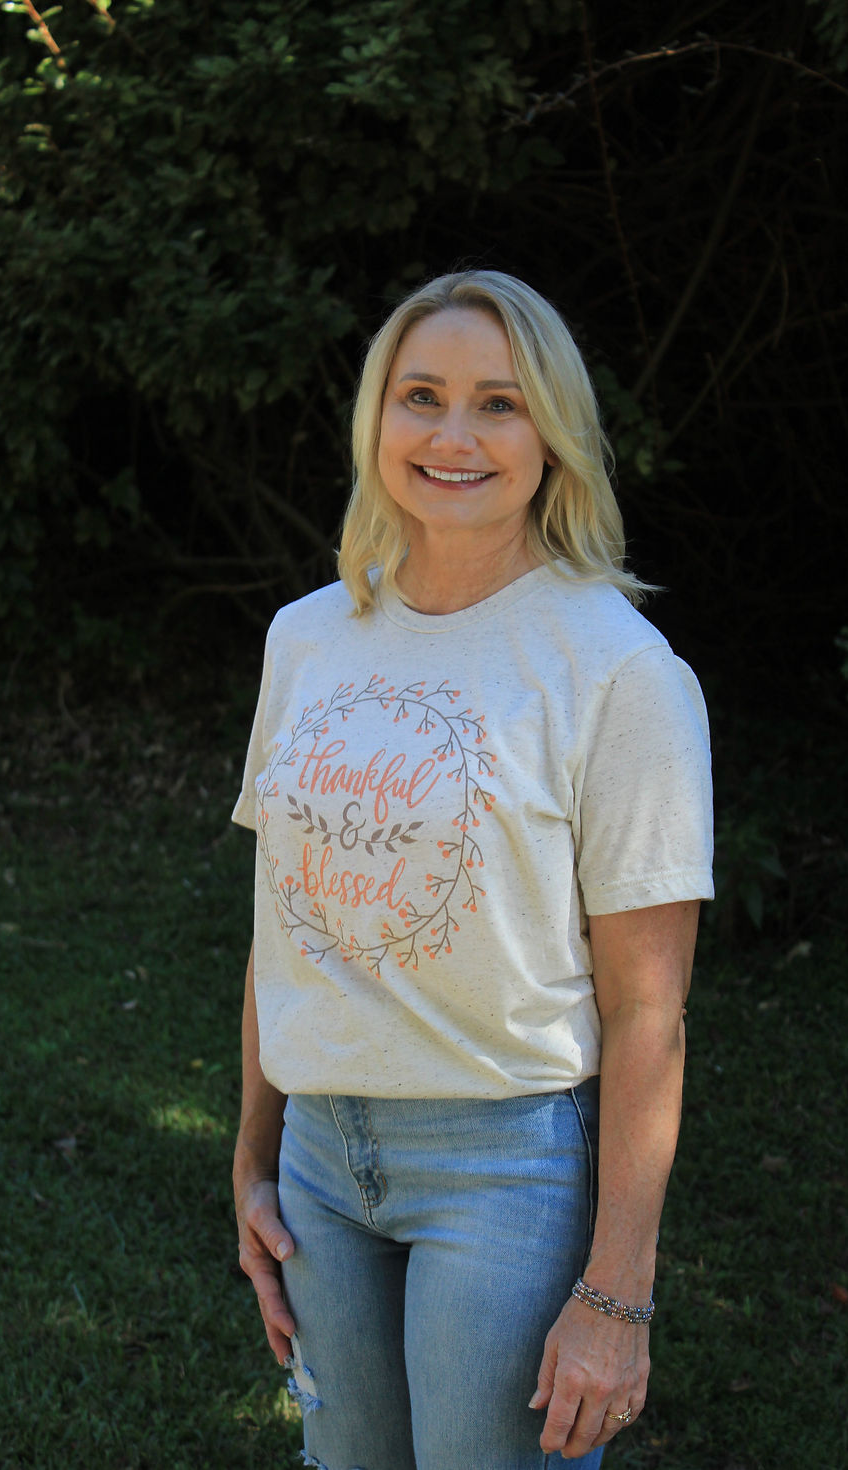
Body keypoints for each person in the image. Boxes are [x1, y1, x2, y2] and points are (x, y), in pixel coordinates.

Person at [231, 269, 714, 1469]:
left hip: (504, 1171)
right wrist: (251, 1156)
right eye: (421, 397)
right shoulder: (306, 637)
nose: (453, 436)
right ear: (376, 419)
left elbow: (647, 1010)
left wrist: (617, 1294)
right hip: (318, 1165)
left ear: (552, 437)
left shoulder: (619, 670)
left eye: (498, 404)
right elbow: (281, 924)